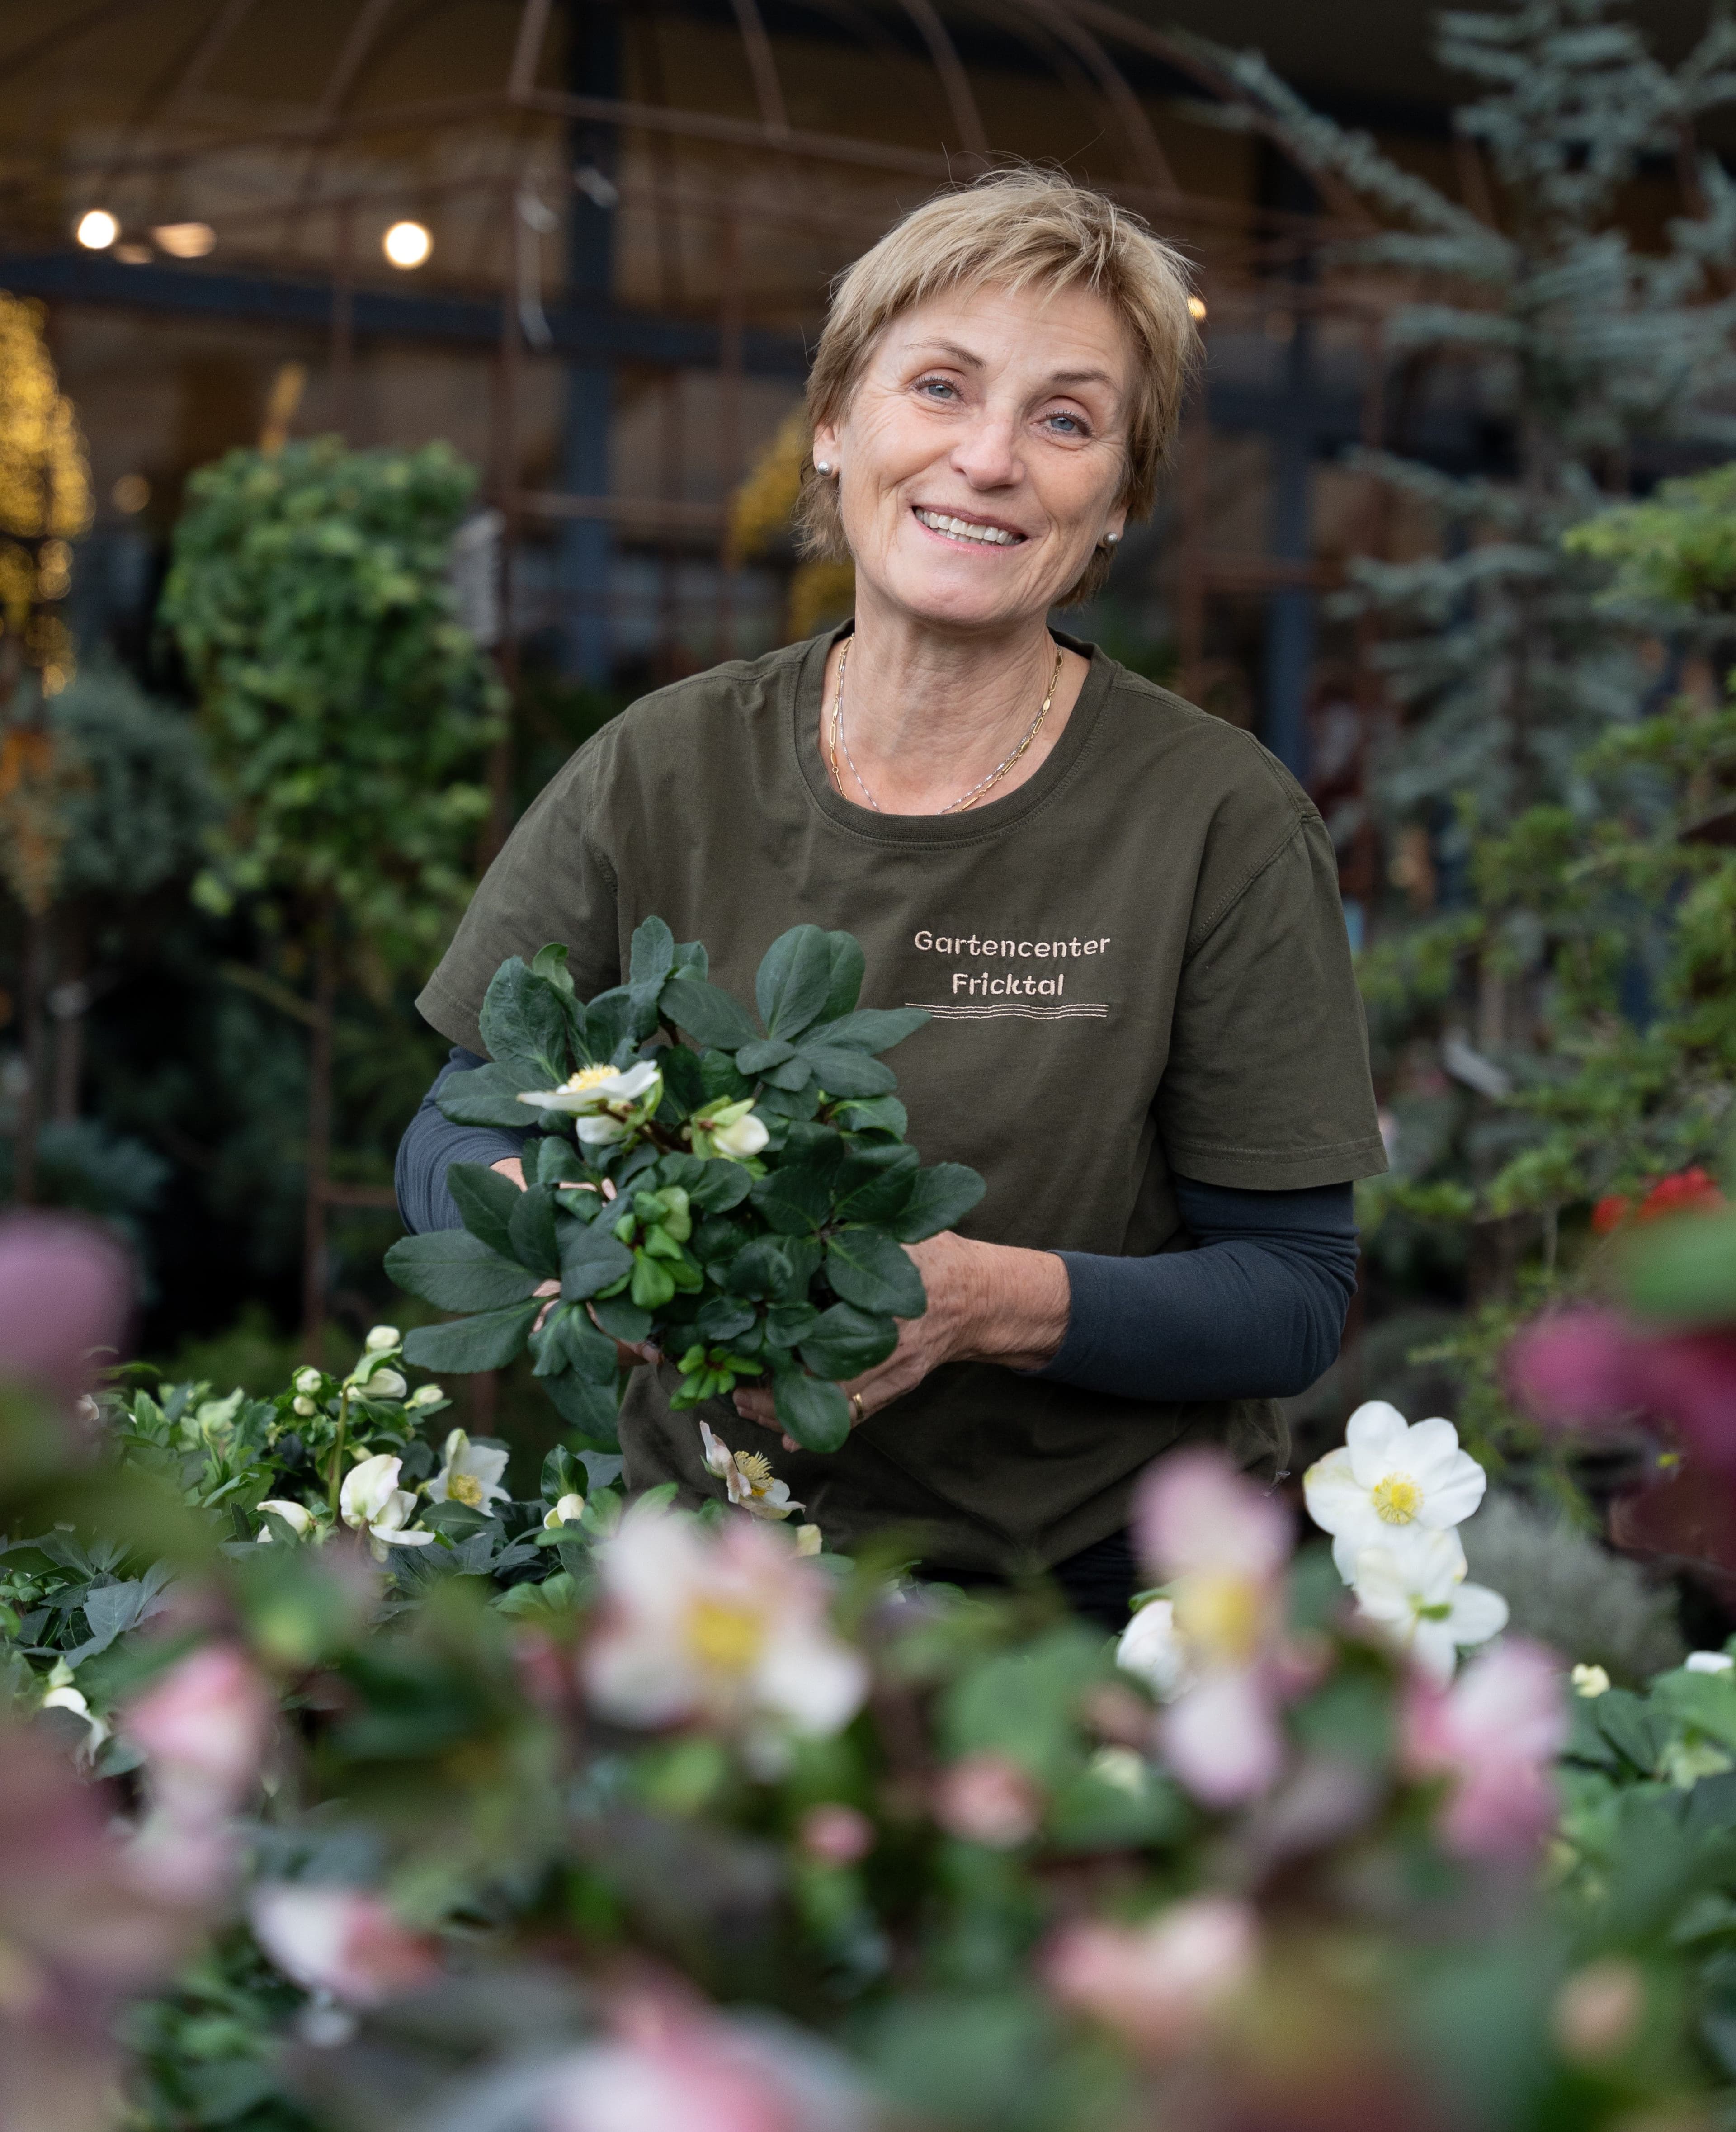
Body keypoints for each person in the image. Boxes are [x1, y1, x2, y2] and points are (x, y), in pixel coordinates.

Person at [398, 168, 1387, 1631]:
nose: (987, 459)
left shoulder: (1218, 821)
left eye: (1065, 419)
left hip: (1091, 1612)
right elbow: (456, 1117)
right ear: (835, 425)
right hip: (716, 1588)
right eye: (939, 386)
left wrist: (987, 1299)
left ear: (1116, 501)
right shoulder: (665, 767)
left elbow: (1294, 1293)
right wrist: (569, 1224)